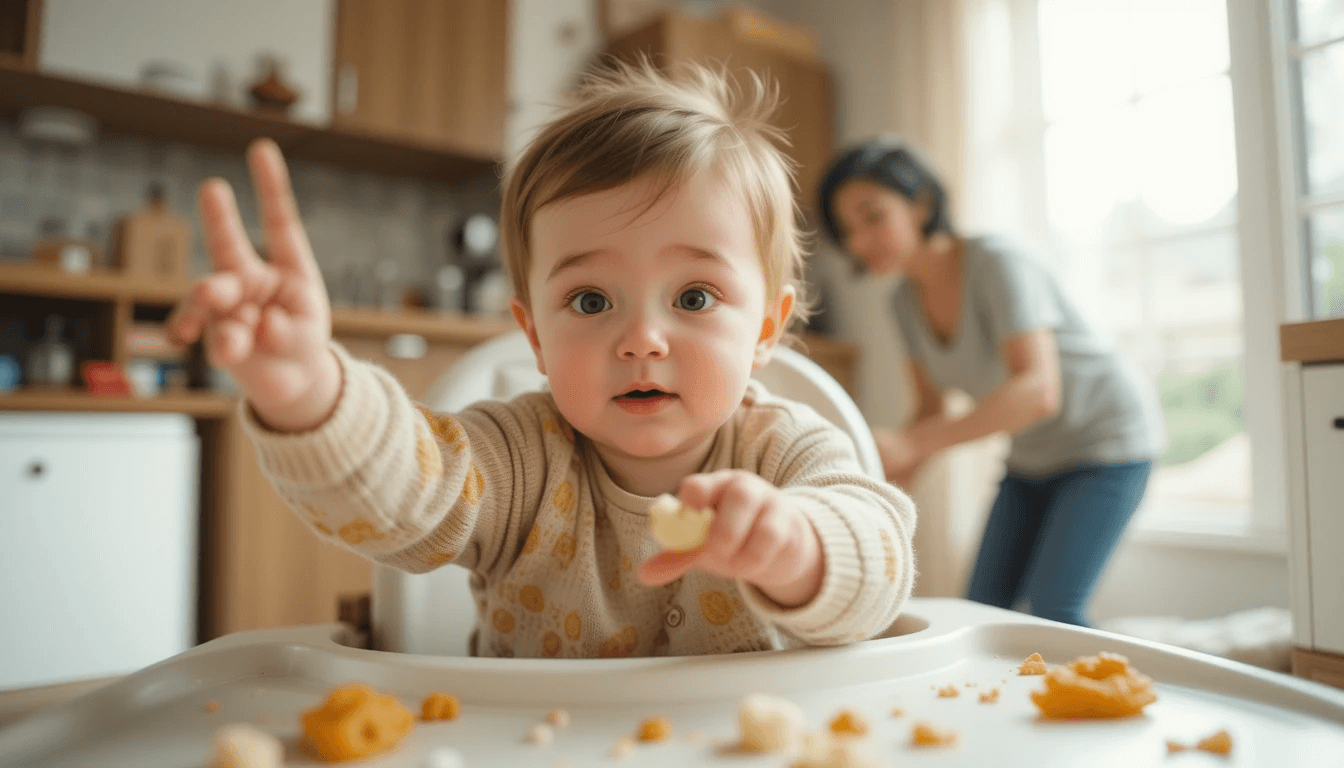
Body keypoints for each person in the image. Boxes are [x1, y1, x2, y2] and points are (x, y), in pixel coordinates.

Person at [167, 63, 916, 659]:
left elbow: (879, 560)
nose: (642, 339)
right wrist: (309, 392)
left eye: (693, 297)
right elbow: (399, 490)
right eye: (591, 302)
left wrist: (798, 545)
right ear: (536, 338)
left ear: (765, 328)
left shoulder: (788, 456)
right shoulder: (518, 463)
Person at [818, 138, 1163, 628]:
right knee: (980, 612)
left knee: (1055, 610)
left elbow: (1038, 391)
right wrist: (875, 492)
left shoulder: (999, 262)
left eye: (872, 217)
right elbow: (930, 412)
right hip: (1031, 458)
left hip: (1107, 443)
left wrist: (910, 443)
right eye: (847, 230)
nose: (858, 242)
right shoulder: (902, 303)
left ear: (922, 204)